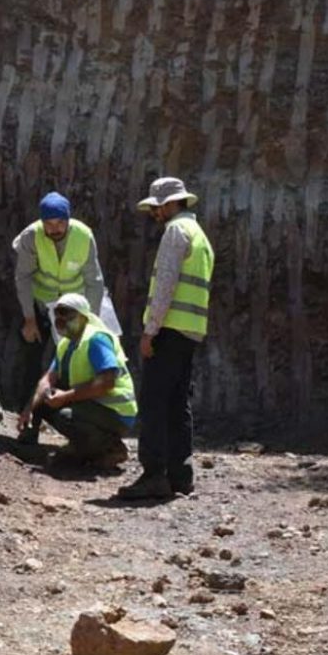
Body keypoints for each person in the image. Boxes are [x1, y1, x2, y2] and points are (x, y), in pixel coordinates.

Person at [117, 177, 214, 500]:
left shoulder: (176, 232)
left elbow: (165, 286)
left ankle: (154, 473)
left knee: (155, 402)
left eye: (157, 208)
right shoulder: (199, 236)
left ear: (171, 204)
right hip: (189, 331)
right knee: (177, 404)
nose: (155, 214)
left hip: (169, 330)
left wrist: (150, 331)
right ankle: (180, 476)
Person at [13, 192, 105, 444]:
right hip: (42, 306)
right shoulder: (31, 237)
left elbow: (94, 282)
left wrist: (91, 323)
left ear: (68, 219)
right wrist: (29, 319)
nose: (54, 229)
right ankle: (28, 427)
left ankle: (78, 432)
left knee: (72, 365)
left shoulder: (84, 236)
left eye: (59, 223)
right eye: (49, 224)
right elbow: (23, 277)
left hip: (74, 309)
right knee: (32, 361)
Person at [16, 293, 136, 470]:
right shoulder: (66, 344)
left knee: (66, 416)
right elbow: (48, 378)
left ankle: (110, 448)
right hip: (92, 405)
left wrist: (66, 397)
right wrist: (29, 409)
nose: (60, 320)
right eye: (57, 314)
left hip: (116, 413)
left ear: (83, 317)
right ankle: (31, 440)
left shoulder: (96, 340)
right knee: (42, 398)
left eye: (67, 314)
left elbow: (106, 383)